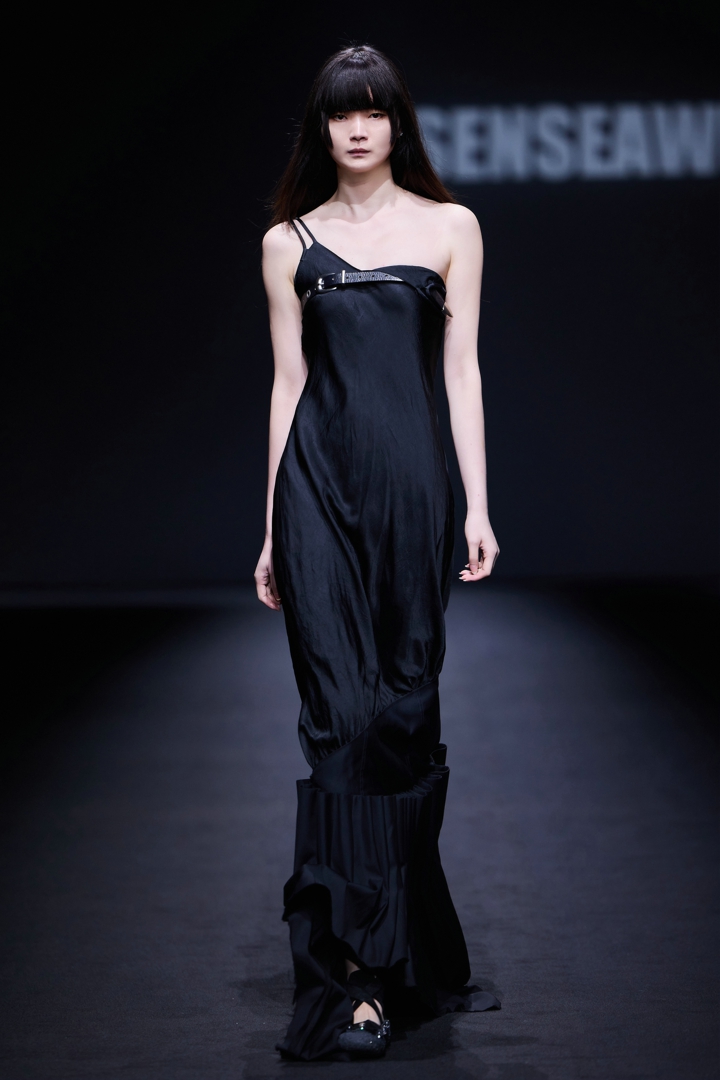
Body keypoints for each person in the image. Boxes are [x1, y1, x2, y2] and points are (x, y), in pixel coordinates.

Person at [254, 44, 500, 1061]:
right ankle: (352, 979)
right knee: (338, 718)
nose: (357, 128)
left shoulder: (451, 228)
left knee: (401, 711)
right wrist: (270, 524)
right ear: (322, 128)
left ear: (398, 124)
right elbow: (287, 384)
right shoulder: (287, 242)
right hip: (315, 492)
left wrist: (477, 504)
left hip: (412, 497)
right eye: (340, 112)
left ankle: (406, 946)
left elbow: (461, 371)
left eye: (374, 110)